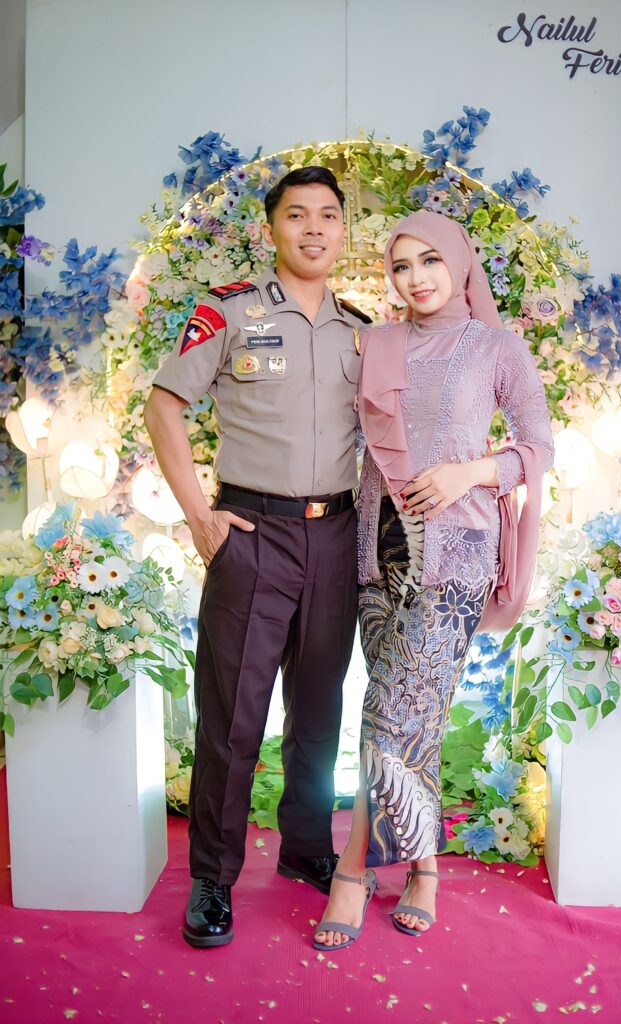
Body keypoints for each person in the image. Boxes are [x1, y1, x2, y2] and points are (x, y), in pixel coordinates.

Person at [313, 210, 554, 950]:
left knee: (388, 715)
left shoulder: (497, 347)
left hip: (456, 558)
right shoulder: (377, 343)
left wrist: (469, 472)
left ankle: (352, 870)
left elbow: (539, 447)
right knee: (411, 717)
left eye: (430, 261)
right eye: (401, 266)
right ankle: (424, 869)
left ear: (458, 262)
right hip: (376, 549)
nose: (415, 278)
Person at [144, 166, 370, 948]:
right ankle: (213, 877)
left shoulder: (360, 329)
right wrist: (199, 517)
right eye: (297, 215)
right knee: (234, 719)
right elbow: (163, 405)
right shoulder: (230, 311)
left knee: (320, 710)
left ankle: (306, 846)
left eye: (328, 216)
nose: (314, 228)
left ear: (343, 231)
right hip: (253, 533)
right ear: (270, 228)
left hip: (335, 536)